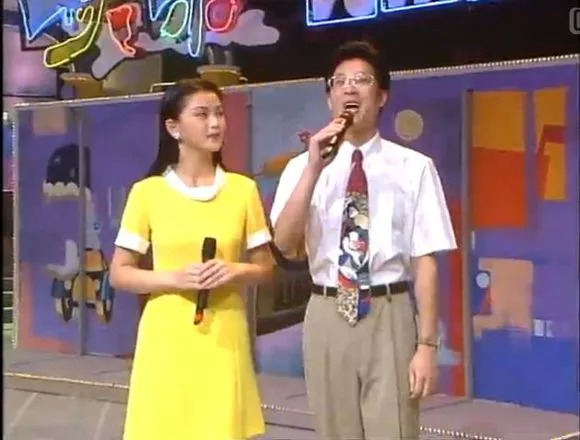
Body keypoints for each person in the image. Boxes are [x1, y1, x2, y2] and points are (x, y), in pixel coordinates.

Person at [270, 41, 457, 440]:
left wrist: (427, 345)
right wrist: (313, 169)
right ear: (329, 98)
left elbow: (426, 260)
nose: (349, 89)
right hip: (325, 309)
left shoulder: (414, 167)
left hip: (388, 311)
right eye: (339, 82)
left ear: (382, 95)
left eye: (361, 80)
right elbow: (284, 245)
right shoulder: (301, 167)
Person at [110, 79, 274, 440]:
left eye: (219, 114)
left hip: (225, 334)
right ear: (174, 127)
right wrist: (174, 278)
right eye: (202, 114)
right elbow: (120, 273)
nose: (215, 124)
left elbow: (265, 268)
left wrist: (234, 270)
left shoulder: (242, 190)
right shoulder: (147, 193)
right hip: (166, 336)